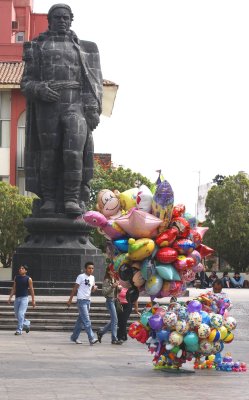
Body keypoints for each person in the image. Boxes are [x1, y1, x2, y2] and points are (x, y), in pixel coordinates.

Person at [21, 3, 103, 216]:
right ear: (50, 21)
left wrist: (92, 108)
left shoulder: (85, 49)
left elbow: (93, 82)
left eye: (66, 18)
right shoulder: (37, 46)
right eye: (57, 17)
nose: (62, 21)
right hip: (48, 105)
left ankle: (71, 199)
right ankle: (48, 199)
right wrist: (40, 89)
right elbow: (26, 83)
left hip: (75, 104)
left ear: (71, 20)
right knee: (48, 154)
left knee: (73, 153)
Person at [67, 262, 99, 345]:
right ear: (86, 269)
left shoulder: (92, 278)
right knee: (87, 320)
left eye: (92, 268)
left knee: (80, 321)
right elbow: (75, 288)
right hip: (81, 300)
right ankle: (91, 338)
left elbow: (91, 289)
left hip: (88, 300)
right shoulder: (81, 276)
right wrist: (70, 299)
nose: (91, 270)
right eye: (89, 268)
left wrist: (94, 289)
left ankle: (74, 337)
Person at [97, 266, 123, 345]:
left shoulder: (114, 279)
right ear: (108, 271)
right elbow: (104, 292)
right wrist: (112, 287)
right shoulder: (107, 280)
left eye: (114, 270)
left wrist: (119, 288)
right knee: (115, 320)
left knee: (114, 320)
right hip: (109, 301)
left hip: (115, 301)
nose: (114, 271)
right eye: (112, 270)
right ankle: (114, 339)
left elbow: (117, 292)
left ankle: (101, 332)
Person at [8, 265, 35, 335]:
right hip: (17, 298)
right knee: (17, 315)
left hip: (24, 299)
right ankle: (26, 323)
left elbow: (31, 290)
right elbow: (14, 288)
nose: (20, 269)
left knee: (20, 314)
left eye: (22, 268)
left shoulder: (28, 279)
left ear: (25, 271)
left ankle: (19, 330)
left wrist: (33, 300)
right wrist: (10, 297)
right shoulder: (16, 277)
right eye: (20, 268)